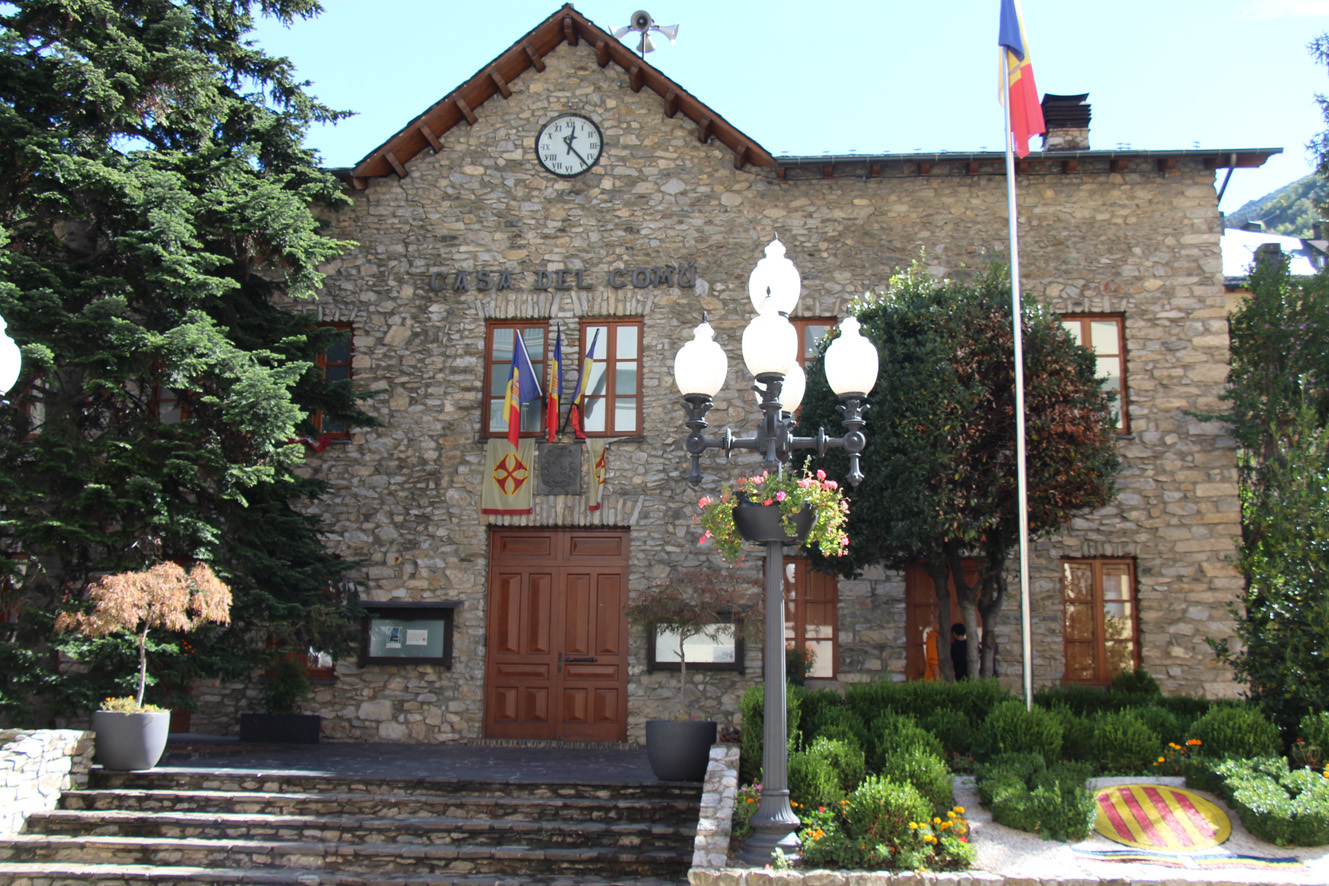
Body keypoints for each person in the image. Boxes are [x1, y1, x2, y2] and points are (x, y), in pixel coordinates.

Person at [921, 615, 941, 681]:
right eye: (938, 623)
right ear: (933, 624)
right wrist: (939, 682)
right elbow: (934, 662)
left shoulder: (941, 638)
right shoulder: (933, 639)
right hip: (934, 680)